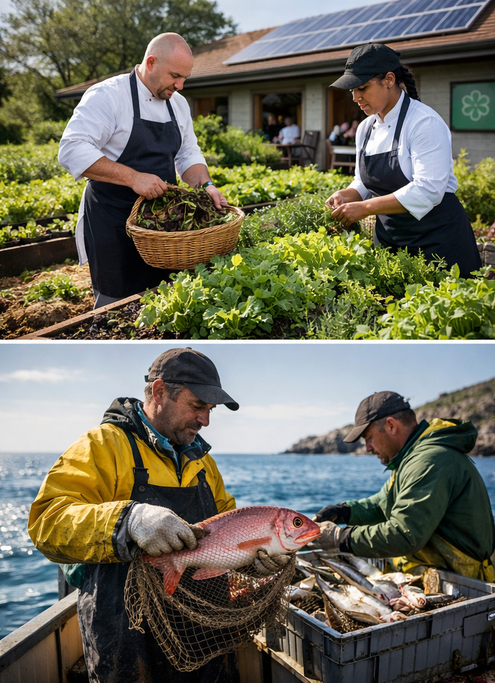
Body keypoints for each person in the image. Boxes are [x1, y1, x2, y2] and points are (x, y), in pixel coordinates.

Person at [27, 349, 288, 682]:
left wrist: (253, 559)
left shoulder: (202, 462)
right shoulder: (102, 445)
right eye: (197, 406)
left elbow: (228, 527)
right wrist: (129, 520)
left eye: (210, 410)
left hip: (201, 635)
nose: (205, 420)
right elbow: (47, 522)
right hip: (125, 632)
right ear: (161, 391)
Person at [58, 33, 228, 309]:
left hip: (162, 225)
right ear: (150, 62)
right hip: (113, 220)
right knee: (117, 308)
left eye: (185, 77)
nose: (181, 85)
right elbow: (72, 148)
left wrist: (206, 185)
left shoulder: (178, 104)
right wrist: (133, 178)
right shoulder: (109, 96)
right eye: (175, 75)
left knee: (164, 300)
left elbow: (188, 154)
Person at [324, 43, 482, 277]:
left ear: (389, 79)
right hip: (390, 241)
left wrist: (365, 208)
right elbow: (363, 181)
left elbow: (429, 190)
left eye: (363, 88)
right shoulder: (365, 128)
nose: (356, 97)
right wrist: (348, 194)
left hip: (437, 243)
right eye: (352, 91)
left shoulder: (423, 122)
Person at [313, 391, 495, 581]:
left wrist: (340, 538)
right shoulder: (412, 458)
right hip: (432, 573)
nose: (367, 448)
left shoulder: (428, 461)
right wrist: (344, 511)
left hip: (460, 583)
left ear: (391, 425)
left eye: (368, 438)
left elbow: (404, 534)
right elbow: (381, 503)